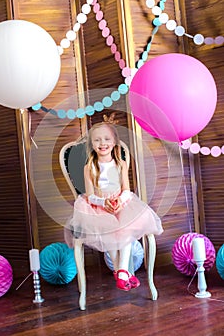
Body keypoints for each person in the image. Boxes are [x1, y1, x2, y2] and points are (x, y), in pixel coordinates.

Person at [65, 122, 163, 291]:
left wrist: (119, 202)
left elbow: (126, 189)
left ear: (115, 142)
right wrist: (104, 203)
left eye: (106, 139)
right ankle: (122, 273)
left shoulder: (120, 164)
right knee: (108, 229)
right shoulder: (89, 167)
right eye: (97, 140)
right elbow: (90, 196)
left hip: (121, 205)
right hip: (98, 207)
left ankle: (122, 271)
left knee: (126, 227)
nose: (102, 143)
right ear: (92, 144)